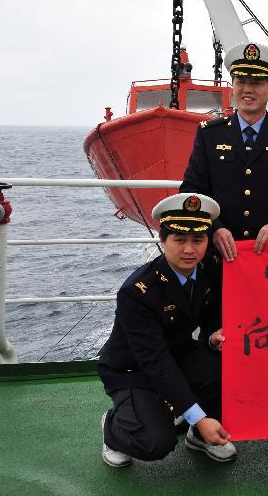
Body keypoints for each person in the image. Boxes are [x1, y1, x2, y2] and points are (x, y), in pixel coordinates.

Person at [97, 193, 236, 467]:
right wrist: (198, 414)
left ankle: (198, 436)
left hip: (178, 353)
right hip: (133, 371)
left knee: (230, 368)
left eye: (198, 240)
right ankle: (114, 428)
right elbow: (155, 361)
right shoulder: (137, 292)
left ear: (208, 241)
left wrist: (211, 339)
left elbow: (210, 316)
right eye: (179, 240)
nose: (189, 250)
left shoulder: (208, 267)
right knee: (156, 442)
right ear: (163, 241)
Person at [180, 41, 268, 261]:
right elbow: (192, 190)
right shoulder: (209, 134)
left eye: (257, 82)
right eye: (241, 81)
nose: (247, 89)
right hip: (219, 255)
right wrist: (215, 229)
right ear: (232, 85)